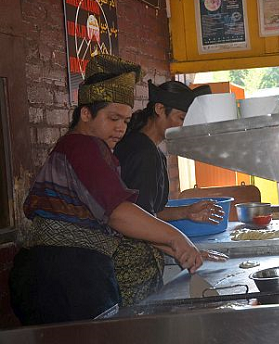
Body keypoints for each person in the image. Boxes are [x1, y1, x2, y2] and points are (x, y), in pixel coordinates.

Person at [9, 54, 204, 325]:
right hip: (62, 278)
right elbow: (118, 213)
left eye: (125, 120)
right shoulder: (83, 147)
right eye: (113, 118)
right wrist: (177, 238)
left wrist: (172, 248)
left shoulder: (86, 148)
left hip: (67, 273)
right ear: (86, 113)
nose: (120, 128)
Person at [113, 80, 227, 306]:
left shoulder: (150, 149)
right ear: (158, 109)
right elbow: (134, 222)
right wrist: (178, 247)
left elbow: (148, 212)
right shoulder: (141, 152)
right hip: (129, 264)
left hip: (143, 260)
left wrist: (186, 212)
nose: (183, 127)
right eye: (181, 119)